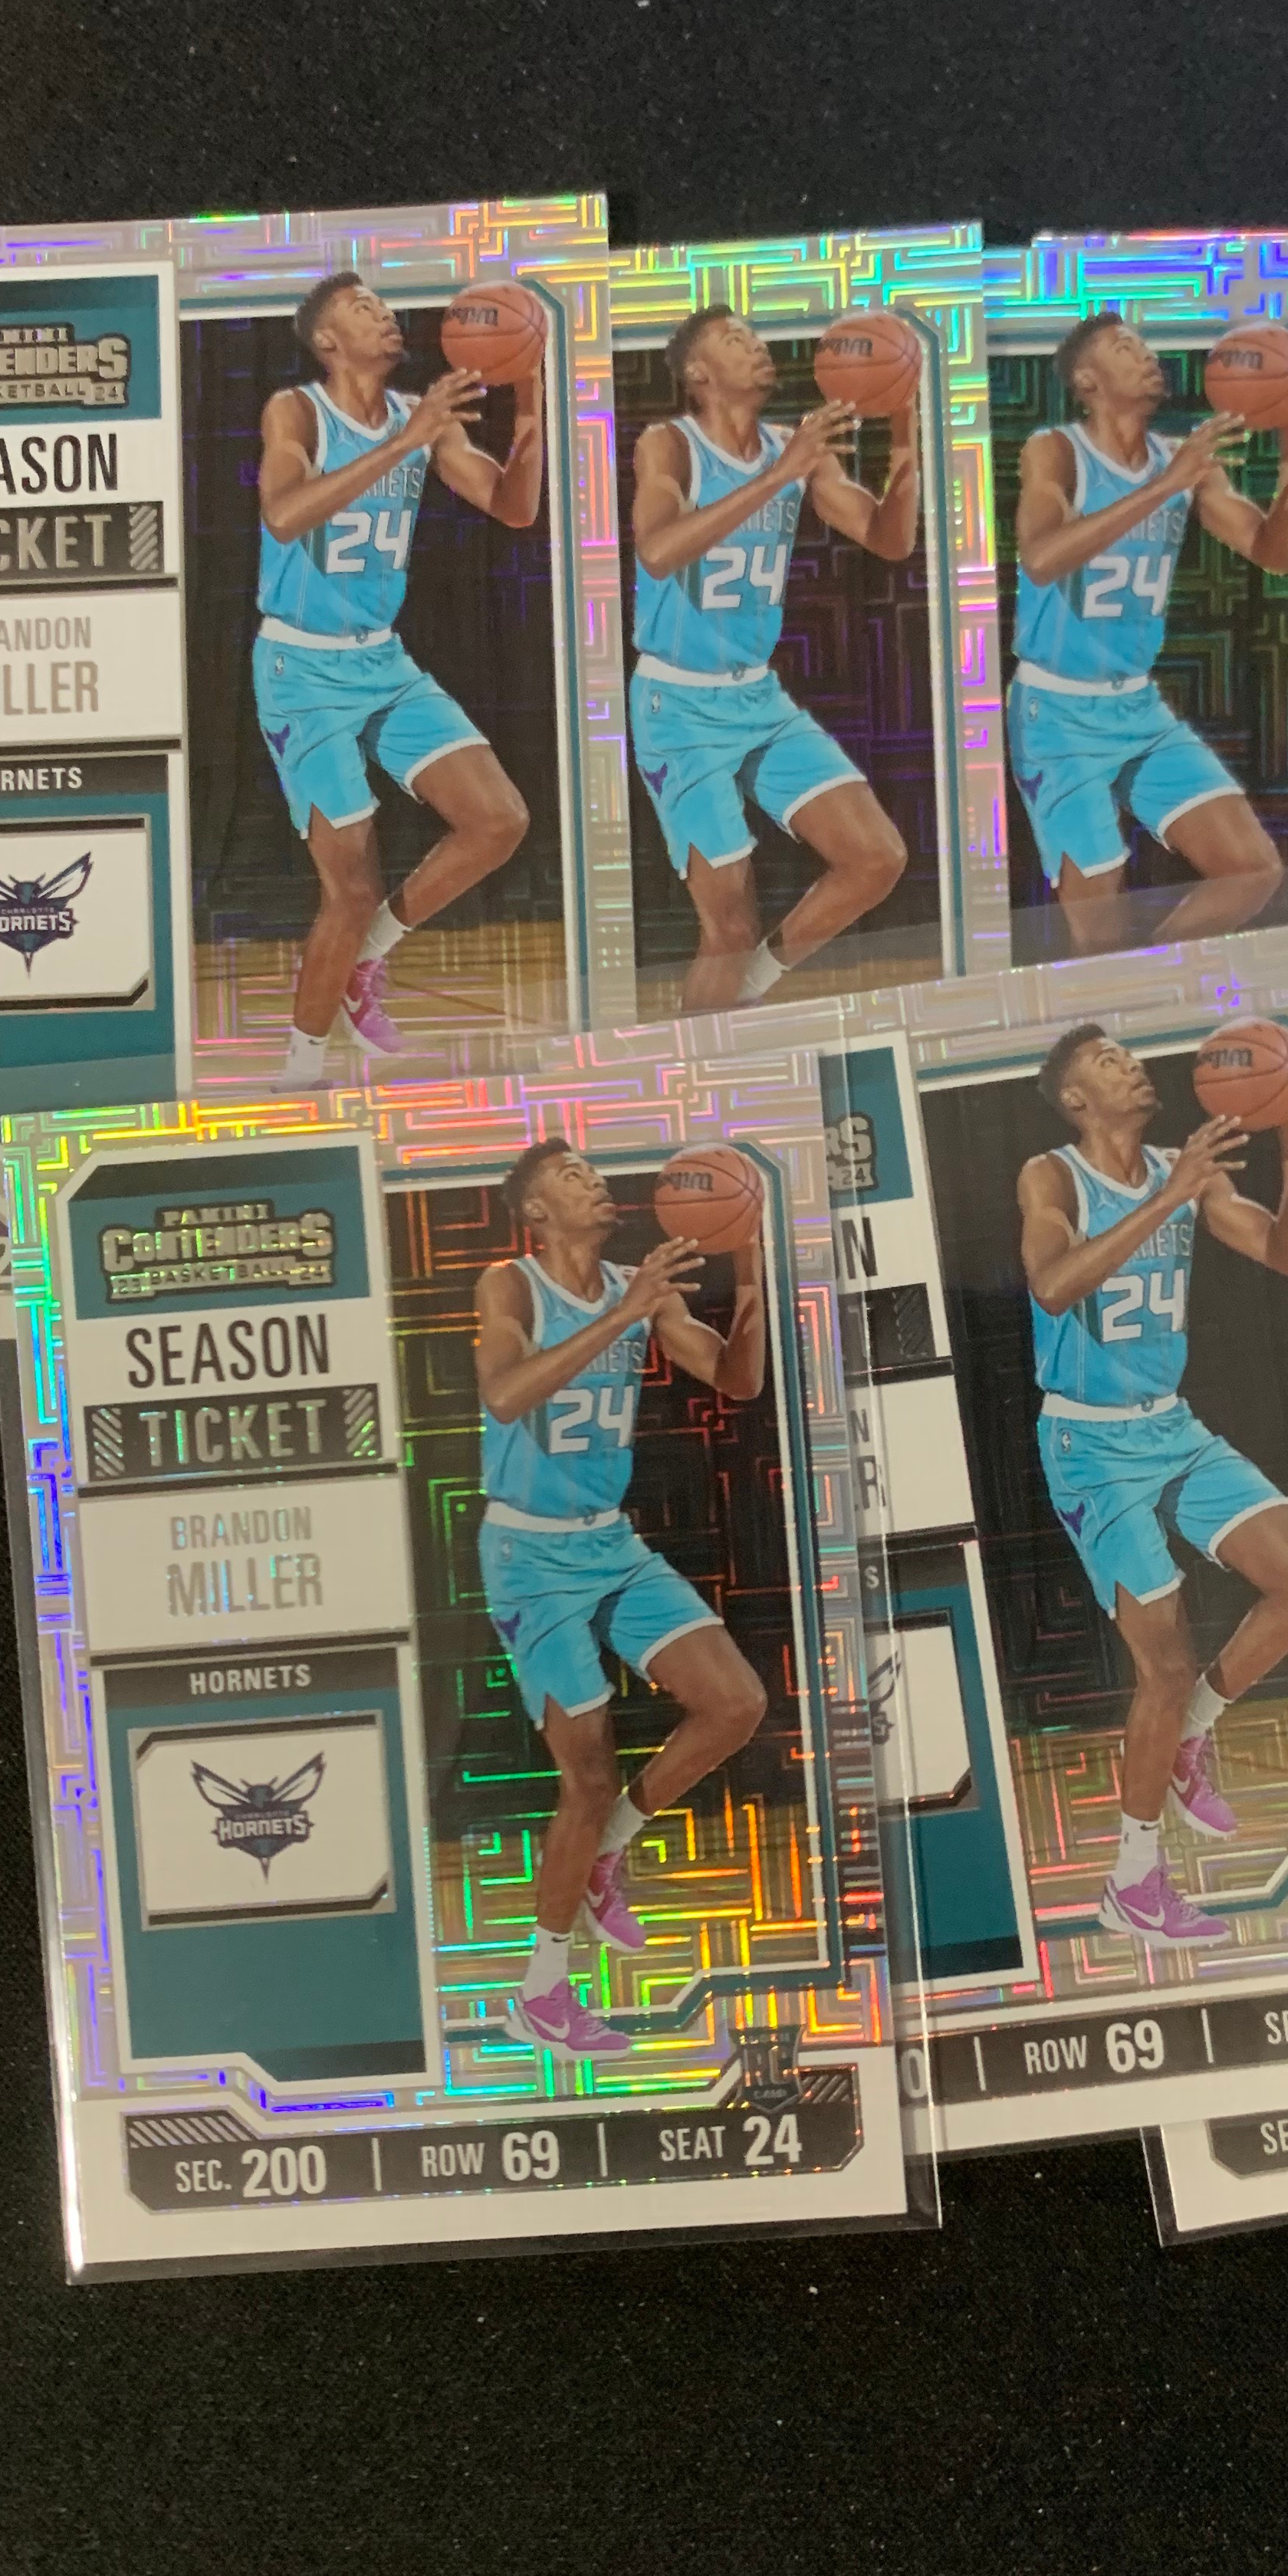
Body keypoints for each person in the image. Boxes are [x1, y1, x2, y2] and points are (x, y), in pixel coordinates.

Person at [1020, 1024, 1288, 1944]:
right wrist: (1172, 1196)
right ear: (1076, 1099)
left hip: (1170, 1425)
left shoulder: (1180, 1168)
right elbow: (1053, 1285)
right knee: (1161, 1664)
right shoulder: (1051, 1176)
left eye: (1129, 1054)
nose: (1131, 1065)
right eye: (1108, 1061)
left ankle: (1194, 1733)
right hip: (1089, 1444)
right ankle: (1133, 1883)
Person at [475, 1137, 770, 2057]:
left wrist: (749, 1265)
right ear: (536, 1211)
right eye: (573, 1176)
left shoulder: (636, 1286)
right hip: (529, 1557)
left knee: (737, 1703)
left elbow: (738, 1378)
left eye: (596, 1173)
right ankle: (541, 1993)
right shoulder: (511, 1286)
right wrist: (627, 1313)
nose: (596, 1182)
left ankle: (609, 1850)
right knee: (587, 1776)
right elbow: (505, 1394)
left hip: (608, 1542)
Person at [255, 271, 540, 1081]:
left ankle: (366, 963)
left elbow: (514, 507)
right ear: (327, 340)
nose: (383, 314)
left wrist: (531, 395)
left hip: (381, 659)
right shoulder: (297, 410)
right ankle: (301, 1070)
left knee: (498, 820)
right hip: (302, 667)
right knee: (348, 889)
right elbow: (284, 513)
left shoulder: (422, 418)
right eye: (363, 308)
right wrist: (406, 441)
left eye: (383, 304)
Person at [628, 305, 913, 1010]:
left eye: (755, 337)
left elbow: (889, 538)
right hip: (677, 704)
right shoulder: (670, 444)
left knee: (877, 857)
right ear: (699, 374)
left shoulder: (796, 445)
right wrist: (779, 474)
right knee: (728, 929)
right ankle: (701, 1053)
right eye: (736, 340)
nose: (757, 347)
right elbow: (658, 550)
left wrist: (905, 429)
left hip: (757, 698)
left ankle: (749, 989)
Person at [1008, 310, 1288, 957]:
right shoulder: (1055, 450)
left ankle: (1146, 986)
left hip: (1138, 707)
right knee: (1099, 928)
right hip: (1056, 711)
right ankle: (1112, 996)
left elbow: (1275, 553)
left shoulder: (1183, 459)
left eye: (1145, 346)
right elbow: (1042, 557)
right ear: (1087, 381)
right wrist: (1168, 485)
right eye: (1125, 348)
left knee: (1252, 869)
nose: (1146, 356)